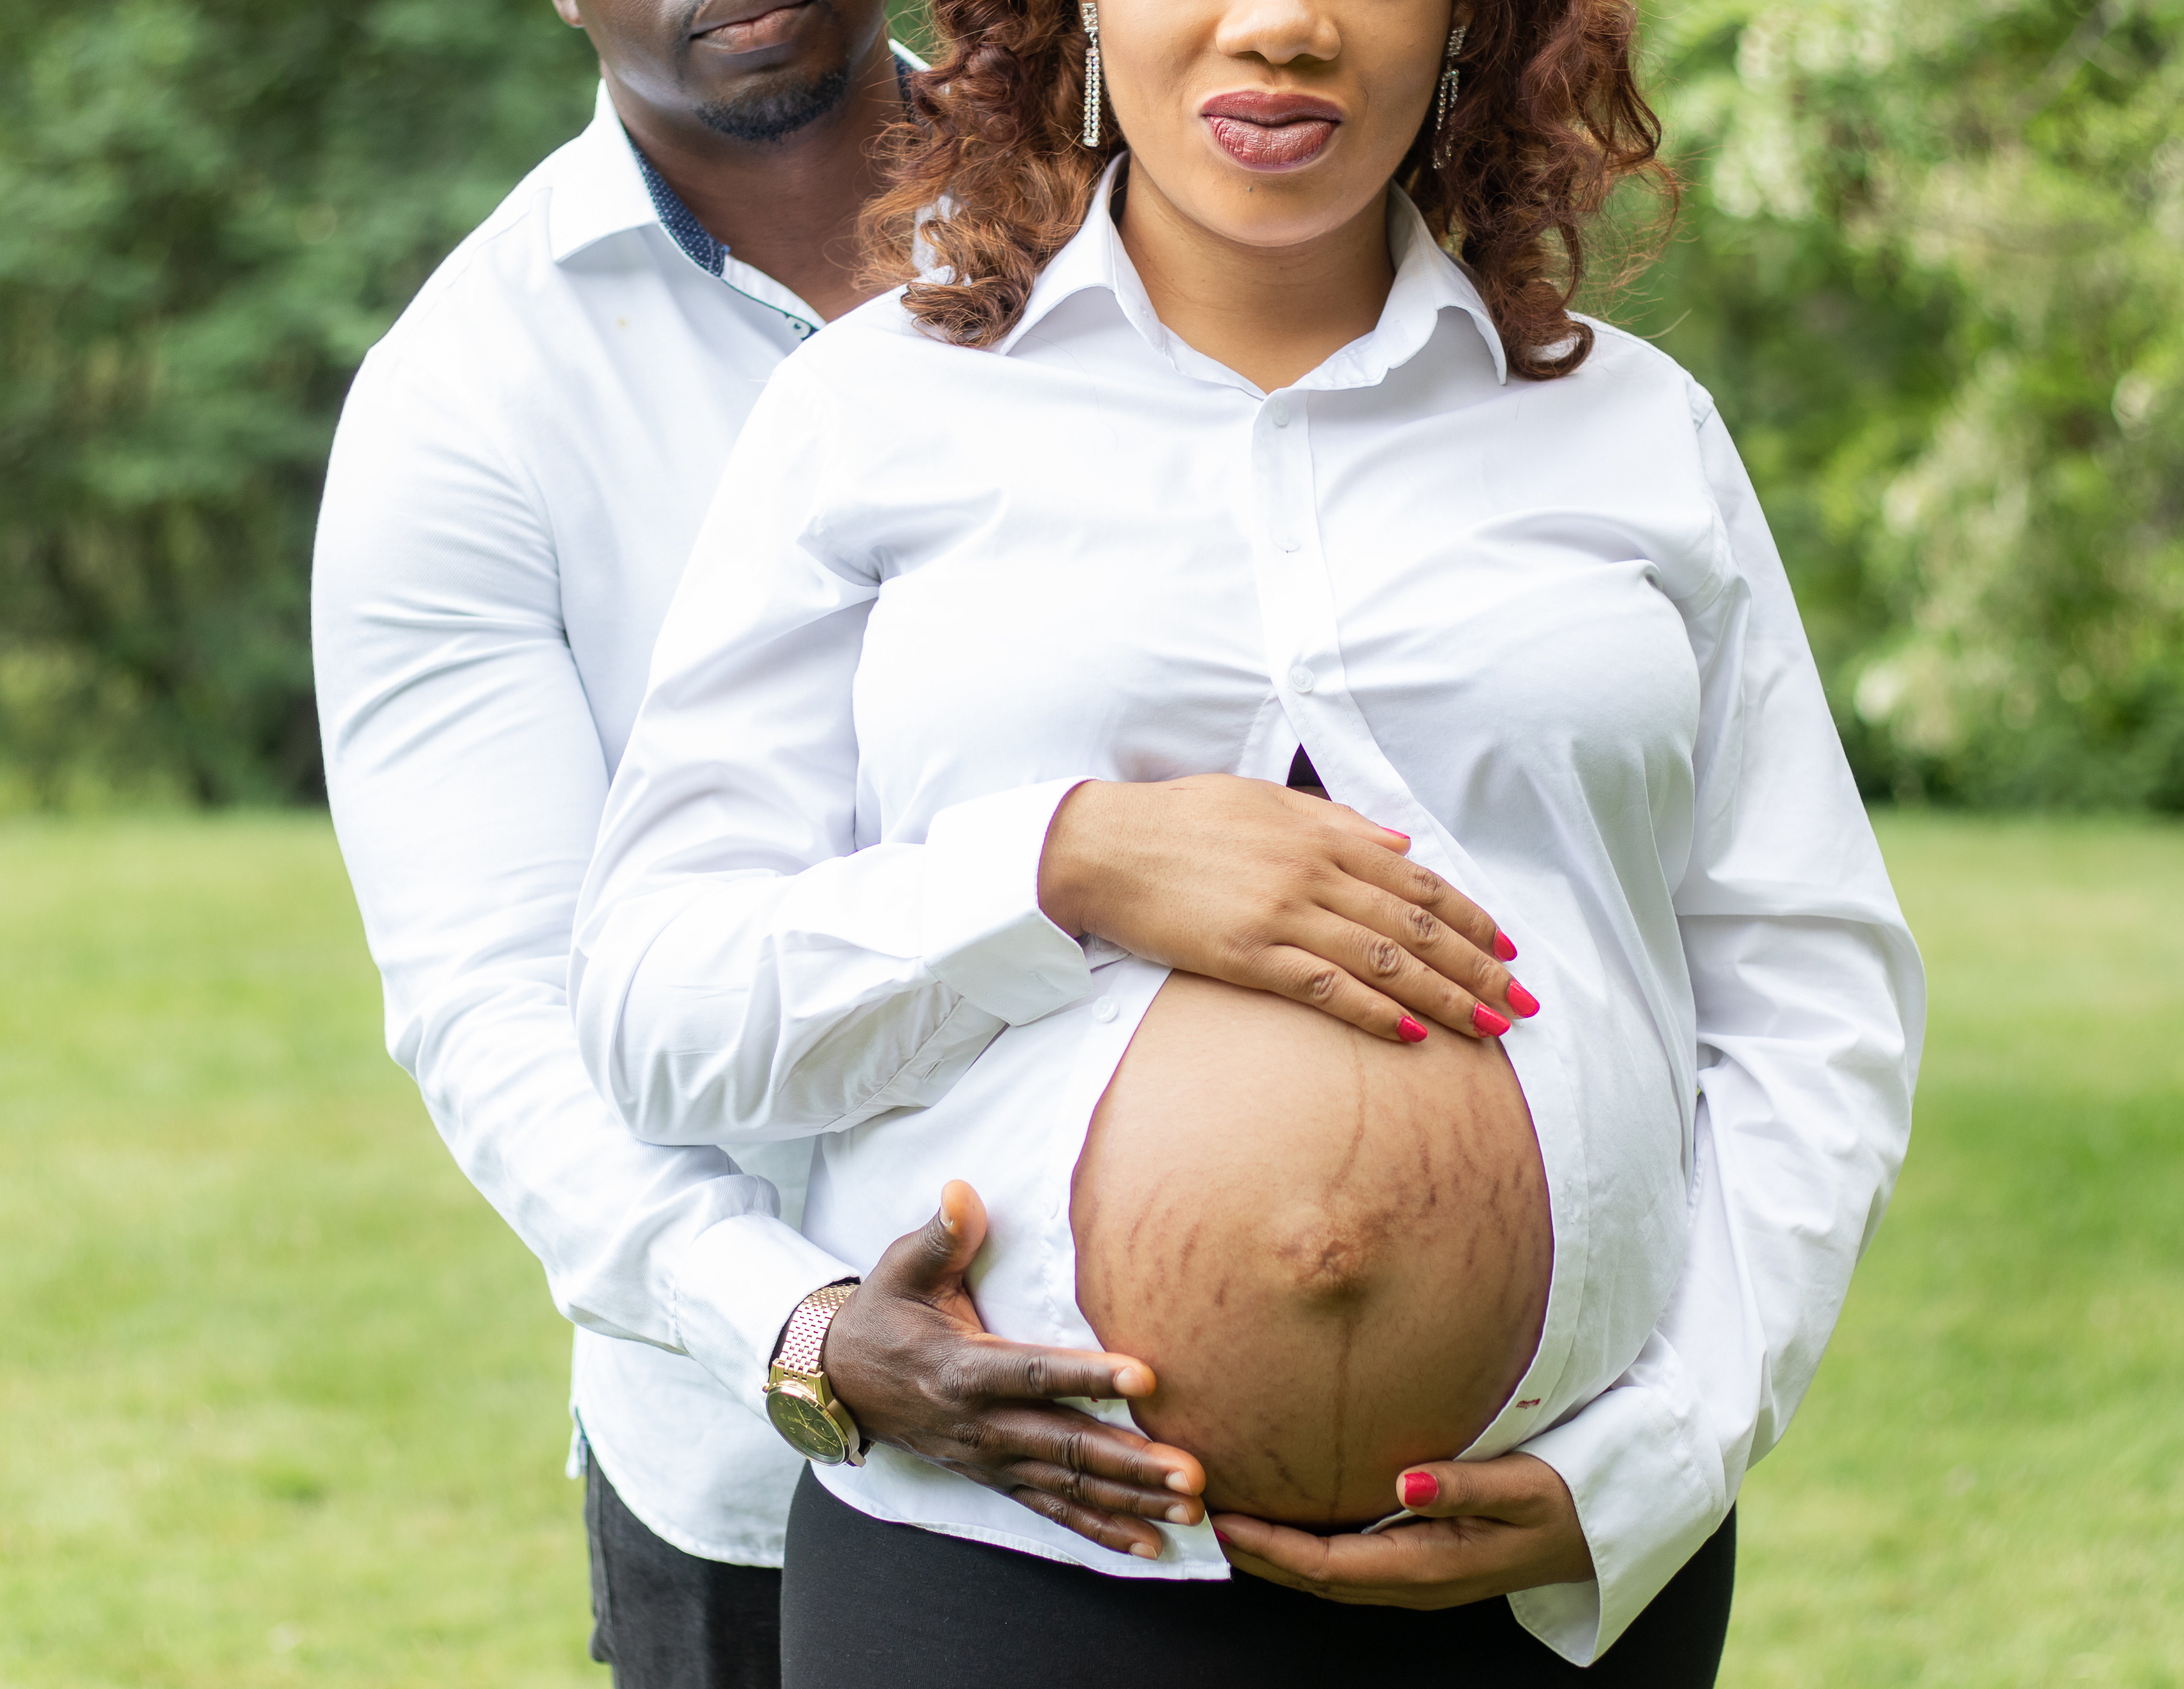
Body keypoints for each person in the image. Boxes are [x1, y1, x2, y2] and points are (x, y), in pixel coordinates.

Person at [572, 0, 1926, 1682]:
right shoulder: (870, 416)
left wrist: (1660, 1455)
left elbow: (1812, 1003)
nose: (1280, 23)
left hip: (1534, 1580)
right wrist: (1059, 868)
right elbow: (653, 1007)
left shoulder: (1634, 433)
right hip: (1001, 1572)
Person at [311, 4, 1210, 1685]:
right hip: (767, 1481)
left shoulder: (1163, 200)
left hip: (1245, 1385)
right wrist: (800, 1332)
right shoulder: (465, 398)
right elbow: (500, 1002)